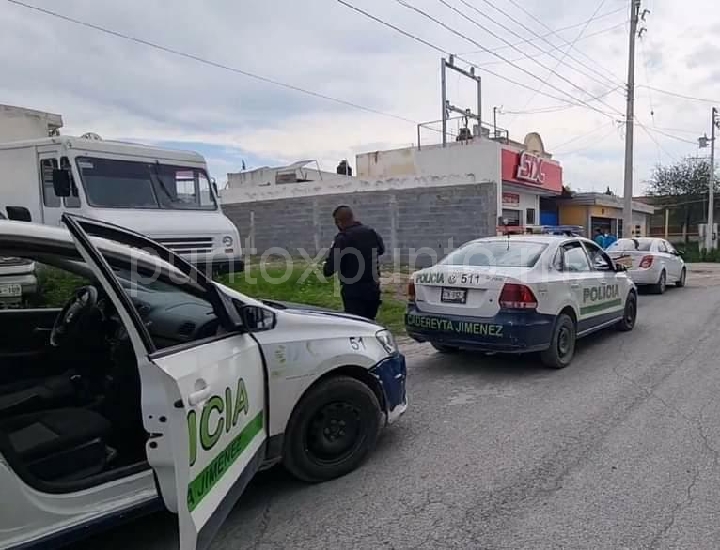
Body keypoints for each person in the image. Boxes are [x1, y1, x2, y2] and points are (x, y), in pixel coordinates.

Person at [323, 205, 385, 320]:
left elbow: (329, 269)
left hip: (353, 291)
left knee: (356, 324)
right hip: (373, 288)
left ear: (338, 222)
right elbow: (381, 250)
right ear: (352, 217)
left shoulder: (342, 238)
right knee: (370, 323)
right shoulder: (370, 232)